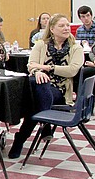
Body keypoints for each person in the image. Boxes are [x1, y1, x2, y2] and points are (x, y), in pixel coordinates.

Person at [8, 14, 84, 158]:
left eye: (67, 25)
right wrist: (37, 72)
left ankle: (22, 138)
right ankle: (45, 122)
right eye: (62, 26)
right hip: (42, 87)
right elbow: (31, 65)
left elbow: (72, 70)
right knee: (38, 83)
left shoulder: (76, 48)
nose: (66, 28)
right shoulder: (40, 45)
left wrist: (47, 68)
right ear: (52, 29)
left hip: (61, 91)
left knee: (35, 96)